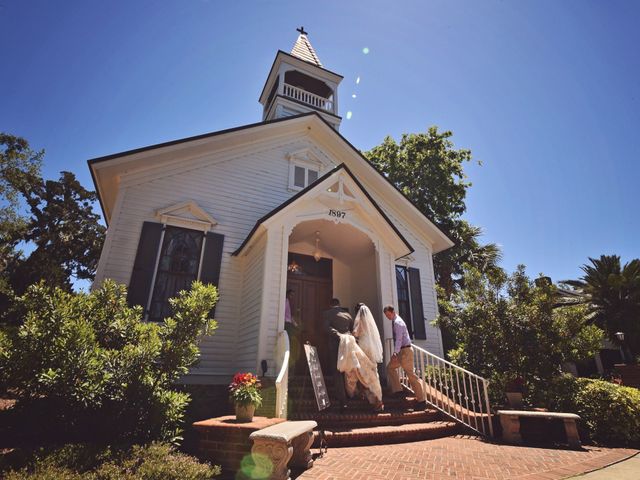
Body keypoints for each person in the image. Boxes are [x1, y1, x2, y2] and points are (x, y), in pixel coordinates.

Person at [384, 304, 427, 409]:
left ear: (393, 312)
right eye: (386, 315)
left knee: (410, 375)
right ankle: (398, 391)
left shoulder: (398, 322)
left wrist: (395, 352)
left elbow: (399, 339)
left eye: (388, 314)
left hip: (405, 351)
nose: (387, 317)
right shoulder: (395, 321)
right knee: (390, 367)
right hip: (401, 351)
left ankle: (422, 401)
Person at [349, 303, 384, 412]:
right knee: (373, 370)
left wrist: (350, 334)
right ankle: (377, 398)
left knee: (363, 370)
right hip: (371, 345)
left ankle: (367, 394)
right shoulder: (370, 321)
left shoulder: (359, 320)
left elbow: (356, 333)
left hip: (364, 344)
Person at [322, 298, 353, 410]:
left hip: (335, 346)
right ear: (339, 305)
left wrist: (338, 334)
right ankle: (351, 394)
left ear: (330, 305)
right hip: (349, 346)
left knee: (337, 372)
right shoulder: (348, 315)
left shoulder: (327, 314)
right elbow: (351, 330)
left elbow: (325, 328)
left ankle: (342, 400)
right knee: (348, 370)